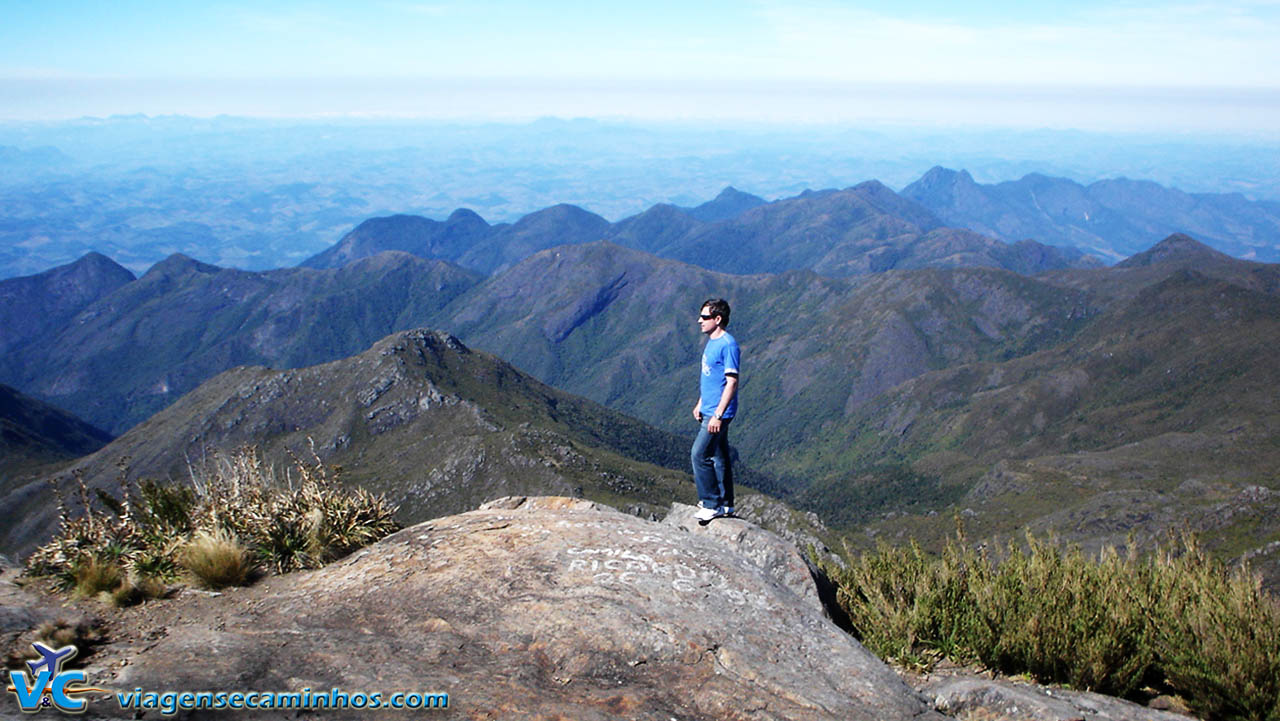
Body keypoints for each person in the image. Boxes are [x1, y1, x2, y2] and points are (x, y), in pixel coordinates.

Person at [691, 298, 739, 523]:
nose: (700, 321)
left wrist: (718, 415)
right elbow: (712, 377)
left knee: (699, 454)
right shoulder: (712, 341)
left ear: (718, 319)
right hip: (710, 408)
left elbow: (731, 382)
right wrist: (701, 402)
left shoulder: (728, 345)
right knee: (719, 457)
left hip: (718, 414)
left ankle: (711, 503)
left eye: (705, 317)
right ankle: (726, 503)